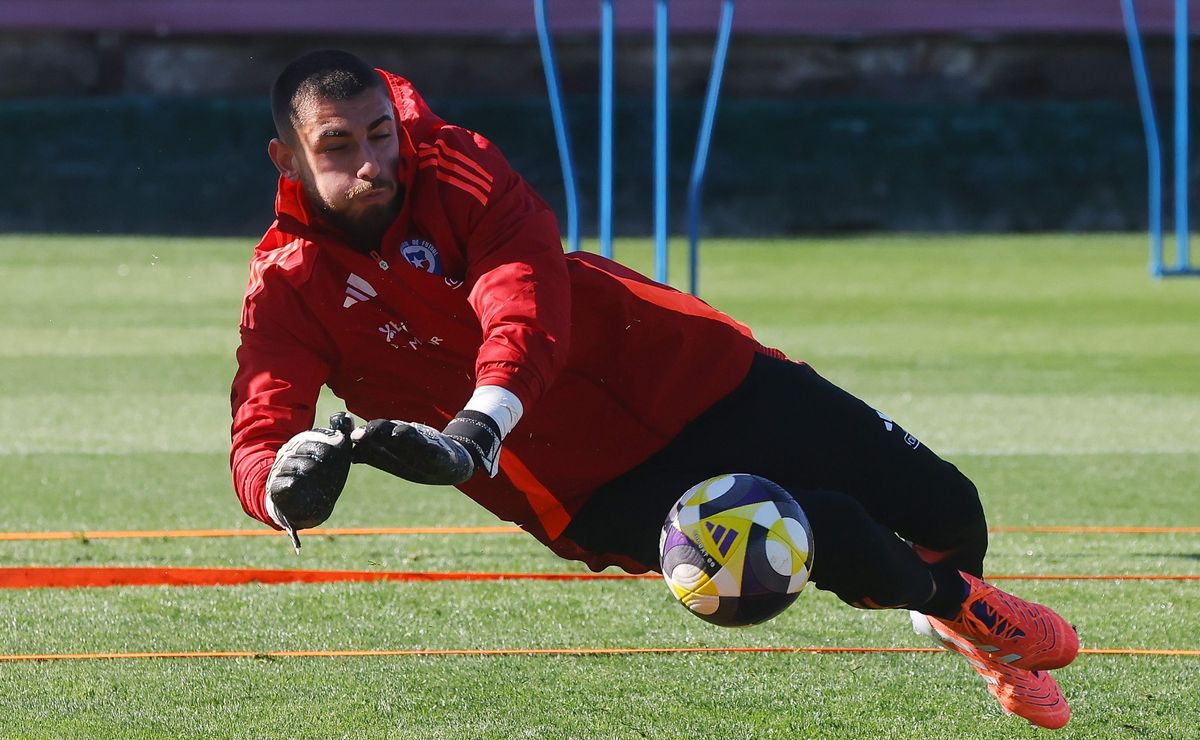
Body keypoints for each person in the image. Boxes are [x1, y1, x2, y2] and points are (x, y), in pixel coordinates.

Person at [230, 49, 1078, 729]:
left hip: (690, 369)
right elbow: (261, 426)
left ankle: (954, 617)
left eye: (379, 134)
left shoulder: (462, 167)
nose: (371, 163)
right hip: (589, 486)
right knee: (824, 526)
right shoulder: (287, 286)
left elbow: (522, 308)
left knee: (948, 507)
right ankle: (957, 608)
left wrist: (477, 427)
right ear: (287, 159)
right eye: (336, 146)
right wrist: (282, 490)